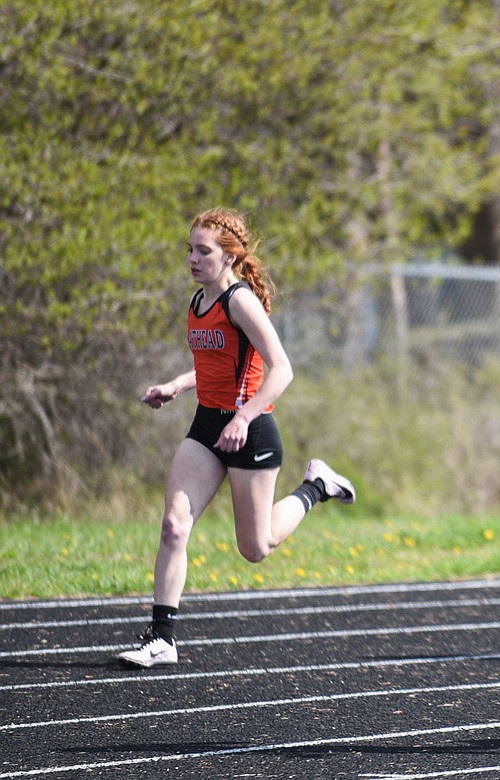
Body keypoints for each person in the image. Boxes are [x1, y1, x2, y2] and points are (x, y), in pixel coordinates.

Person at [115, 207, 356, 668]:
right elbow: (213, 366)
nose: (193, 257)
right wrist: (175, 386)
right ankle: (161, 637)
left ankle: (316, 487)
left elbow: (282, 368)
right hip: (207, 427)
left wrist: (243, 417)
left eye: (203, 250)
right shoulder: (196, 303)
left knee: (255, 548)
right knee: (173, 525)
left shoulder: (239, 302)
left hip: (252, 432)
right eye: (190, 249)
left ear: (229, 257)